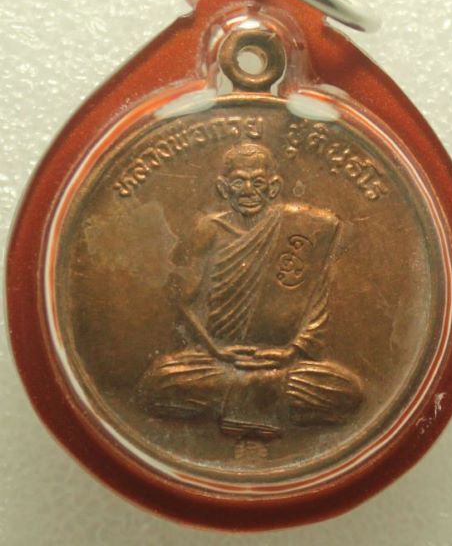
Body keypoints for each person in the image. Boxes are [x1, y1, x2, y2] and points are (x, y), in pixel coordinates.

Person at [137, 143, 363, 439]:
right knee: (159, 384)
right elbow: (185, 302)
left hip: (282, 364)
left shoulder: (303, 227)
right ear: (223, 188)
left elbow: (317, 306)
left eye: (258, 182)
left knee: (345, 392)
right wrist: (216, 350)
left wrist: (290, 352)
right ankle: (261, 395)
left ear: (273, 187)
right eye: (238, 182)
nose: (248, 191)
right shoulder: (209, 229)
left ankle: (241, 392)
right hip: (217, 362)